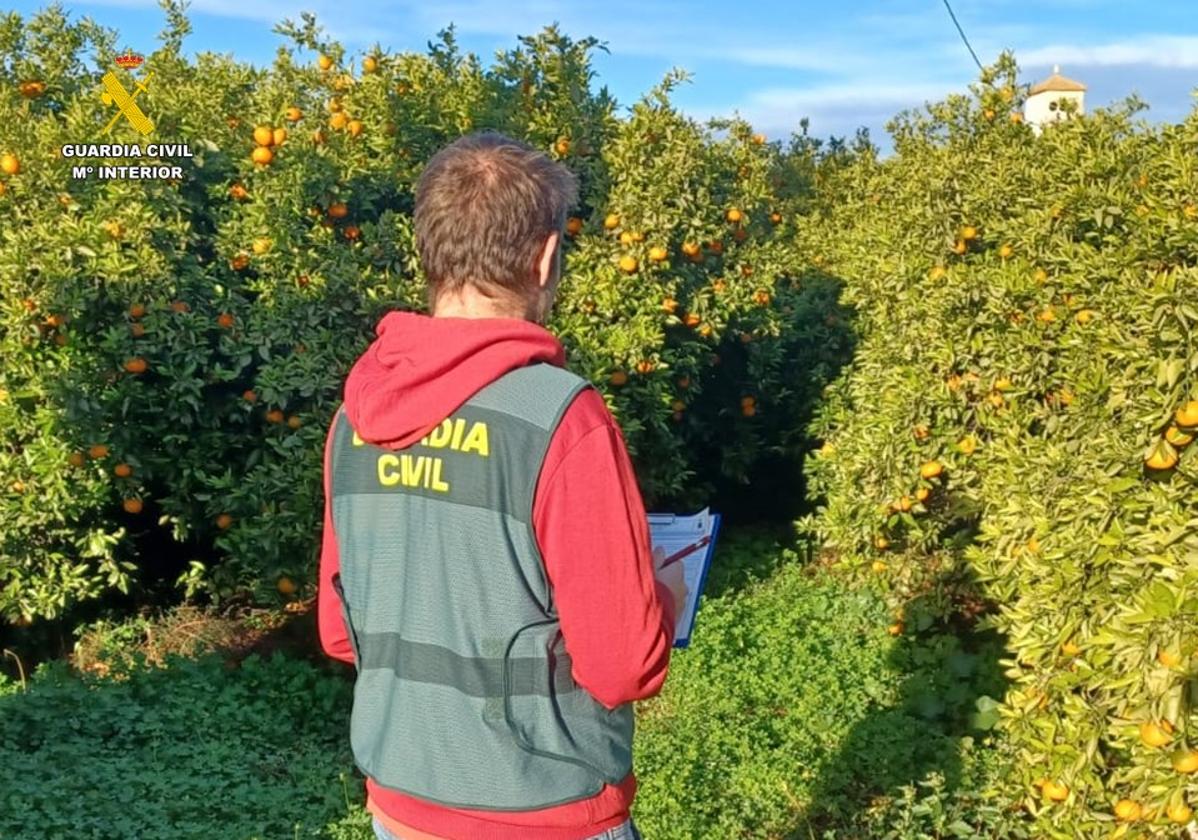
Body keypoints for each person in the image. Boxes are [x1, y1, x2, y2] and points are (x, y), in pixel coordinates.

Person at [317, 130, 688, 840]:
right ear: (545, 257)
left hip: (402, 803)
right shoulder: (560, 419)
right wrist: (663, 598)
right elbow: (620, 666)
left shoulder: (353, 419)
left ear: (429, 249)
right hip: (543, 807)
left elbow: (341, 633)